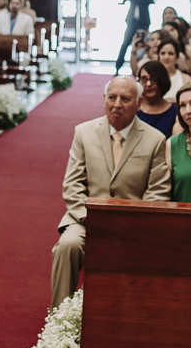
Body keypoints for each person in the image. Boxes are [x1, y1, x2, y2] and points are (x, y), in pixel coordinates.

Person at [51, 77, 171, 308]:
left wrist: (128, 225)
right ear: (104, 99)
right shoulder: (83, 132)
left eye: (125, 99)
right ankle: (58, 322)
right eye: (111, 97)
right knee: (68, 246)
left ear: (139, 103)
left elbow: (158, 192)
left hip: (133, 225)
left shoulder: (155, 139)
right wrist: (92, 219)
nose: (117, 104)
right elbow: (73, 185)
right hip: (86, 220)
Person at [115, 0, 154, 72]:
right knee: (125, 43)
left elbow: (150, 1)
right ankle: (118, 67)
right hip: (132, 22)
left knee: (144, 44)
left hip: (144, 23)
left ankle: (141, 67)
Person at [137, 61, 178, 138]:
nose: (149, 84)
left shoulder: (175, 112)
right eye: (144, 79)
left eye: (154, 79)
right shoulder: (133, 109)